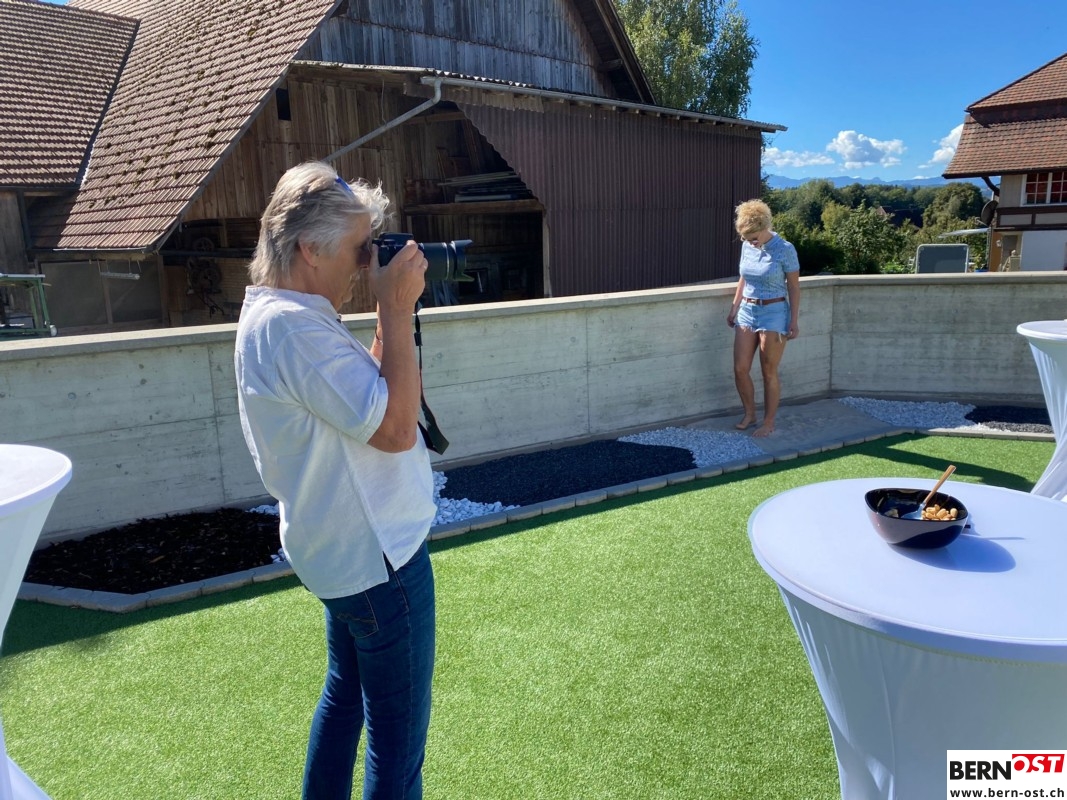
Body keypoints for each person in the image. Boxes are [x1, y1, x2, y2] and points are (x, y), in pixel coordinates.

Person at [234, 161, 436, 800]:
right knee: (397, 753)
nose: (364, 263)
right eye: (357, 248)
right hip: (380, 562)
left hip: (342, 556)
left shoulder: (281, 315)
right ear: (309, 250)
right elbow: (397, 429)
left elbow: (363, 400)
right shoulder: (293, 329)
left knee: (344, 700)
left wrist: (386, 319)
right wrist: (397, 309)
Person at [726, 199, 800, 438]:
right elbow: (744, 278)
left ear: (765, 226)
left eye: (754, 237)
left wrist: (793, 321)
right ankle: (750, 413)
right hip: (747, 311)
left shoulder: (785, 249)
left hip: (774, 313)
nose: (750, 242)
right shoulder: (747, 246)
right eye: (746, 238)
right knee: (740, 368)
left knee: (768, 370)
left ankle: (768, 422)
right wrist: (734, 307)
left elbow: (794, 287)